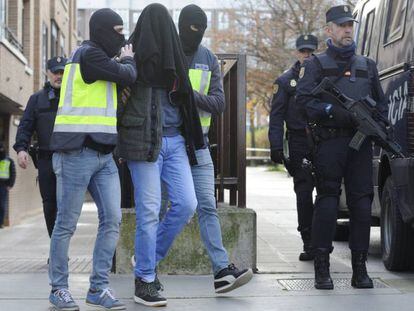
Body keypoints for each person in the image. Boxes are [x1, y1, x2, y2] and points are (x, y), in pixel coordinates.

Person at [48, 8, 136, 311]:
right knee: (66, 225)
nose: (121, 37)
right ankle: (58, 289)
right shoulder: (88, 55)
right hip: (76, 152)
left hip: (103, 154)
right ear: (100, 30)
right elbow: (129, 75)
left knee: (112, 219)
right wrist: (128, 58)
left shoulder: (102, 57)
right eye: (117, 30)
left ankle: (98, 288)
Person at [117, 3, 205, 307]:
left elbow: (187, 103)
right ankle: (145, 279)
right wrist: (127, 62)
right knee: (149, 209)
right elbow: (118, 97)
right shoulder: (131, 57)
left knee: (186, 204)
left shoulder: (176, 60)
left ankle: (146, 261)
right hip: (142, 143)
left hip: (176, 141)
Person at [296, 5, 387, 290]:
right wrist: (334, 112)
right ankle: (322, 267)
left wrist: (378, 126)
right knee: (327, 202)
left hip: (360, 147)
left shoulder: (368, 65)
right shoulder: (316, 64)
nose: (348, 29)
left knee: (361, 205)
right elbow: (303, 102)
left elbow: (381, 104)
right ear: (329, 30)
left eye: (350, 24)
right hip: (330, 143)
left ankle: (360, 269)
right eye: (342, 25)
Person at [178, 4, 253, 293]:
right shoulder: (168, 52)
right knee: (169, 210)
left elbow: (219, 103)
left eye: (201, 29)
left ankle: (221, 270)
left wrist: (190, 96)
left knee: (207, 206)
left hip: (198, 146)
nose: (196, 34)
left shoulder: (207, 57)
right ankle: (146, 264)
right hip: (169, 144)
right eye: (192, 27)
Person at [269, 34, 318, 261]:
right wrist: (276, 146)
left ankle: (320, 238)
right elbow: (277, 117)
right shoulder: (286, 81)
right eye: (303, 51)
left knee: (328, 190)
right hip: (299, 141)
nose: (307, 55)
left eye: (310, 51)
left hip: (323, 140)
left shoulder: (321, 76)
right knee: (304, 191)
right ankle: (308, 241)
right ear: (297, 52)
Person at [13, 56, 67, 238]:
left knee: (67, 205)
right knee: (50, 204)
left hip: (71, 159)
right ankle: (56, 249)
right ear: (48, 73)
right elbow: (25, 126)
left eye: (63, 72)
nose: (59, 76)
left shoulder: (74, 98)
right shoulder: (36, 99)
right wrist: (21, 149)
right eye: (56, 72)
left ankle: (61, 248)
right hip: (46, 160)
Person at [0, 143, 16, 228]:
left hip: (3, 185)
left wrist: (10, 184)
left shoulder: (8, 160)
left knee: (2, 205)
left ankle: (1, 223)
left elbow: (13, 173)